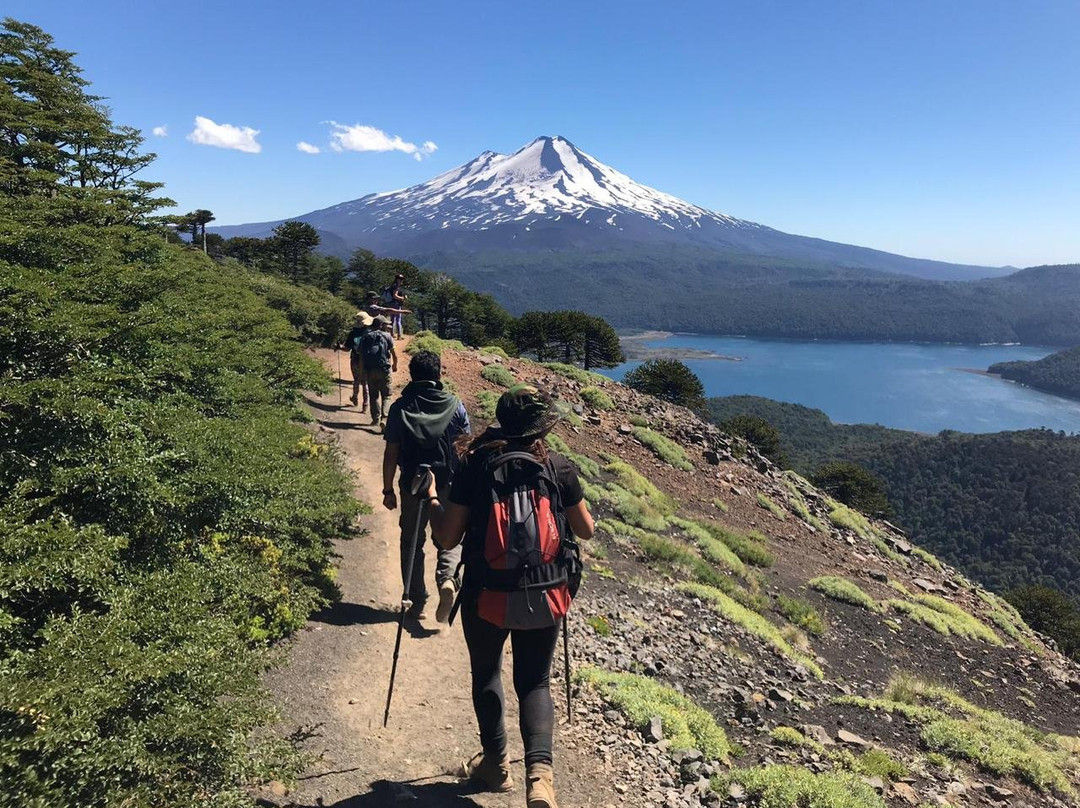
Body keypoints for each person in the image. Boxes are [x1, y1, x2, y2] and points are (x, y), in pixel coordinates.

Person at [427, 385, 594, 808]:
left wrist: (431, 503)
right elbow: (587, 530)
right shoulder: (557, 467)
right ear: (541, 429)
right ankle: (539, 778)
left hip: (486, 593)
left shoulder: (476, 464)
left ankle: (495, 765)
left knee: (487, 673)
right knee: (534, 680)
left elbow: (449, 537)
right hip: (545, 592)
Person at [381, 350, 470, 622]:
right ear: (438, 374)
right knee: (449, 537)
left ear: (412, 374)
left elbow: (391, 452)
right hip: (447, 482)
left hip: (412, 482)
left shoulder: (400, 407)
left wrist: (388, 490)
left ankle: (415, 596)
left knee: (411, 540)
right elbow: (466, 447)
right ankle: (447, 579)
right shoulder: (455, 405)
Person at [360, 315, 397, 429]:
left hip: (370, 370)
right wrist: (395, 364)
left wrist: (362, 372)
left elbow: (361, 355)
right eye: (385, 324)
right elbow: (393, 353)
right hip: (384, 369)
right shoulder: (387, 336)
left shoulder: (365, 336)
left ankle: (375, 419)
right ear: (381, 325)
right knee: (387, 395)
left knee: (374, 395)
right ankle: (384, 419)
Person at [338, 311, 373, 407]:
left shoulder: (353, 333)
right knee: (365, 382)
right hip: (366, 360)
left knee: (357, 380)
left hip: (355, 359)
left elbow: (347, 348)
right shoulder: (370, 333)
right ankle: (365, 403)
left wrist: (340, 347)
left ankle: (355, 397)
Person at [385, 273, 408, 339]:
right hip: (396, 304)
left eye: (402, 279)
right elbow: (395, 296)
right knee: (398, 320)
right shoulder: (396, 286)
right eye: (400, 279)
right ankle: (399, 335)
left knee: (392, 319)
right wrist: (402, 298)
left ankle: (392, 334)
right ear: (397, 279)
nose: (401, 280)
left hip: (391, 304)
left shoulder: (393, 285)